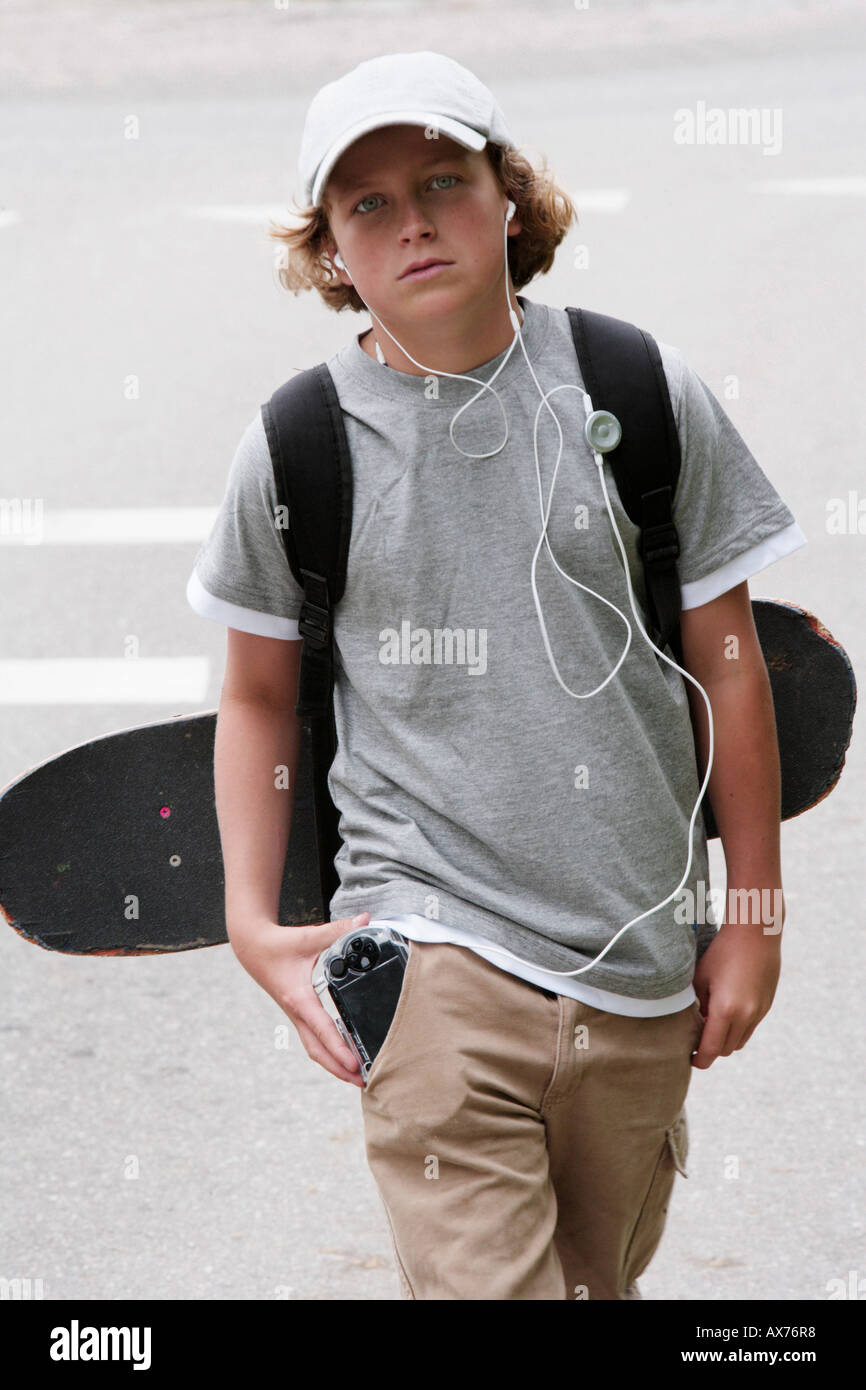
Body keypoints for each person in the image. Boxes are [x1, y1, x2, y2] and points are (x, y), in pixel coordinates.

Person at [186, 51, 808, 1299]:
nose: (410, 219)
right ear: (328, 254)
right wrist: (254, 927)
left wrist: (750, 917)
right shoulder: (301, 444)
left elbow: (729, 668)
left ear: (508, 198)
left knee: (596, 1282)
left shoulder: (638, 392)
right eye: (365, 204)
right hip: (423, 953)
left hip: (635, 963)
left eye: (440, 180)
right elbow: (257, 694)